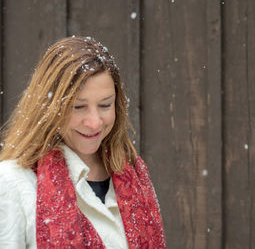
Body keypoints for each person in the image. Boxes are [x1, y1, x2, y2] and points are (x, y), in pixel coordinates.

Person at [0, 36, 165, 248]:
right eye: (78, 107)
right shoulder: (12, 182)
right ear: (48, 107)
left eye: (105, 105)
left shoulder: (134, 177)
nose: (94, 122)